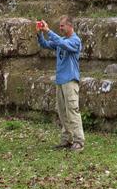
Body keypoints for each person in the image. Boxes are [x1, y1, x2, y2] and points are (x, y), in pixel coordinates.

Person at [36, 15, 85, 151]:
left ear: (70, 25)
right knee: (62, 112)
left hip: (70, 80)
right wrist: (39, 33)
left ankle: (79, 141)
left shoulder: (75, 41)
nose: (61, 28)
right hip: (60, 81)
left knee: (72, 110)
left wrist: (48, 31)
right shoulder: (61, 40)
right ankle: (66, 139)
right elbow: (45, 44)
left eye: (62, 25)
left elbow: (63, 45)